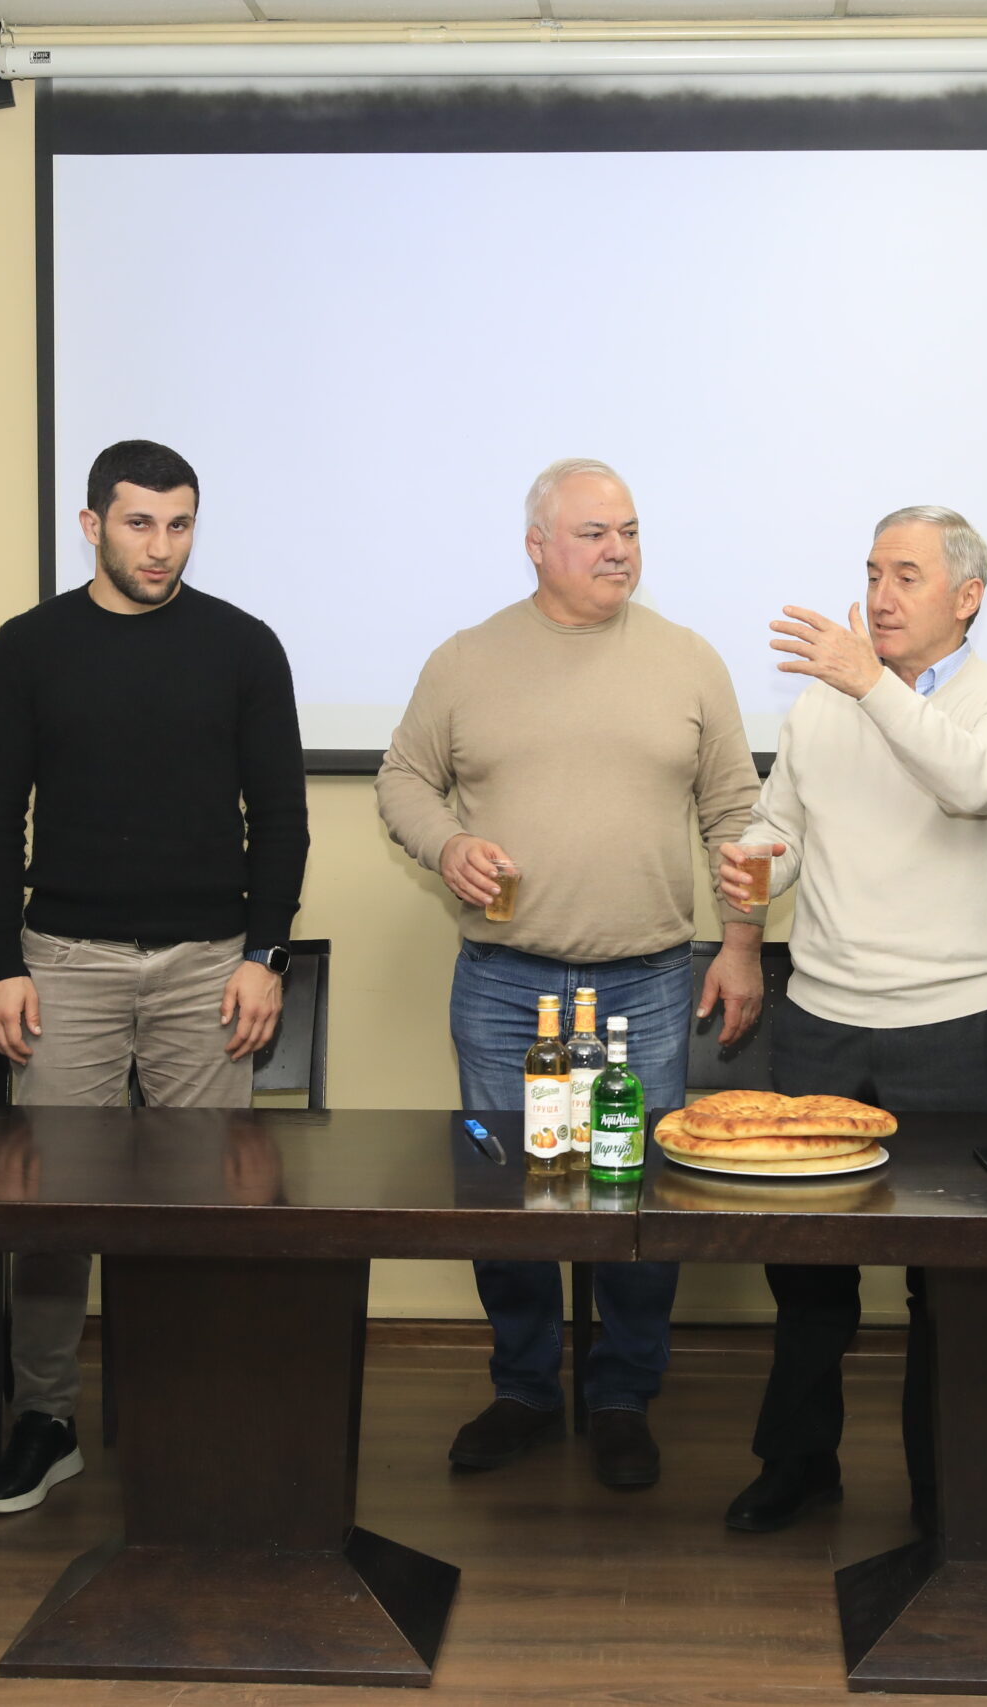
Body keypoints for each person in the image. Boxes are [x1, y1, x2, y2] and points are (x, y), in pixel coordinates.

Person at [376, 457, 764, 1489]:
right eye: (594, 533)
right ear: (537, 546)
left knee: (634, 1199)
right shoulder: (467, 659)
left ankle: (623, 1395)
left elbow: (736, 814)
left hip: (646, 981)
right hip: (506, 984)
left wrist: (740, 944)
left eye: (629, 531)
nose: (618, 550)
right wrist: (448, 844)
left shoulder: (689, 660)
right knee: (505, 1191)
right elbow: (403, 778)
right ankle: (524, 1389)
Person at [0, 438, 308, 1514]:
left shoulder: (244, 646)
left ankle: (196, 1410)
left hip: (210, 968)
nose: (161, 546)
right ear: (92, 526)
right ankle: (45, 1418)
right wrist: (0, 965)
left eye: (180, 524)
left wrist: (264, 955)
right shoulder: (29, 647)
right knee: (51, 1206)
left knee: (208, 1205)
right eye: (139, 522)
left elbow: (281, 819)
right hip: (64, 965)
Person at [714, 506, 987, 1534]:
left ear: (968, 597)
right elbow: (781, 828)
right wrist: (752, 871)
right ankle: (798, 1464)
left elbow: (971, 786)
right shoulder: (821, 708)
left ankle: (946, 1487)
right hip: (822, 1017)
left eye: (907, 575)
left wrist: (870, 685)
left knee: (949, 1280)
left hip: (953, 1025)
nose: (880, 594)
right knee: (806, 1267)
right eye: (872, 573)